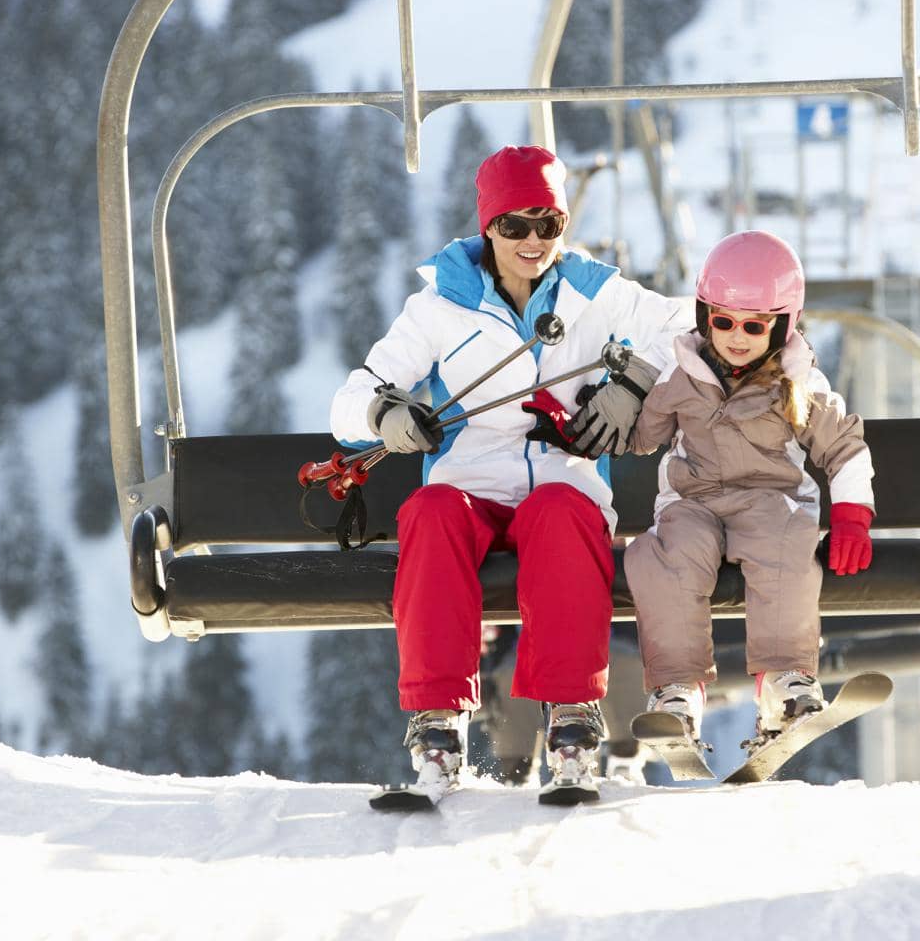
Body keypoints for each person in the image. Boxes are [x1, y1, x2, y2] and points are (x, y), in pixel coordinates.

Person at [328, 144, 690, 795]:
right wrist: (384, 415)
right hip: (470, 483)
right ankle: (438, 724)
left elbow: (690, 325)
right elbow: (349, 399)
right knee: (431, 513)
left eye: (547, 224)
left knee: (563, 513)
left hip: (562, 474)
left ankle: (573, 722)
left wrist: (633, 380)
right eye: (513, 225)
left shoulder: (591, 291)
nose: (531, 241)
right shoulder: (441, 305)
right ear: (488, 225)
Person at [622, 230, 875, 753]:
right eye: (724, 322)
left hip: (770, 500)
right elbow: (640, 438)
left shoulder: (797, 382)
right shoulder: (679, 373)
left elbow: (844, 447)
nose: (737, 336)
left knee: (786, 546)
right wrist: (616, 398)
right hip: (692, 501)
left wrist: (851, 514)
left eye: (754, 326)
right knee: (669, 556)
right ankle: (677, 690)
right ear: (703, 317)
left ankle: (784, 684)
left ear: (781, 325)